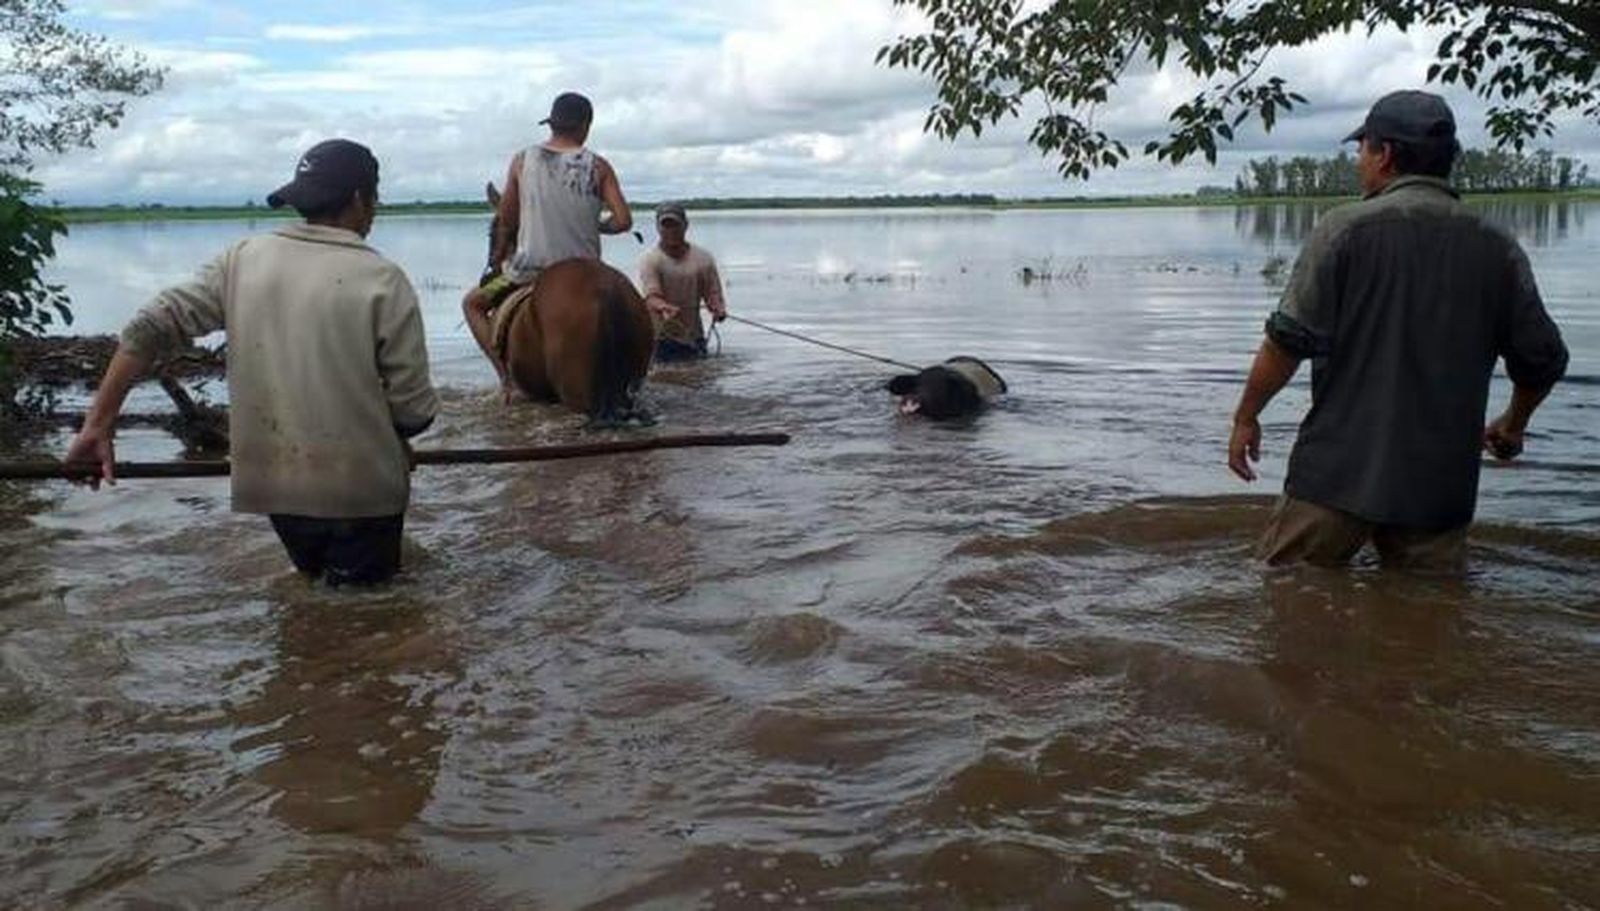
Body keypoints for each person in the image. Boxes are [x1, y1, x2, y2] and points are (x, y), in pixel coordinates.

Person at [65, 139, 439, 586]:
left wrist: (99, 423)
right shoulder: (383, 278)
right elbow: (413, 410)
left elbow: (148, 327)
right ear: (361, 200)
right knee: (367, 620)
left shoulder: (243, 259)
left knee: (316, 603)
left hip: (276, 489)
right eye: (375, 200)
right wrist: (398, 438)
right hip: (361, 493)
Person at [1227, 90, 1568, 570]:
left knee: (1282, 592)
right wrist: (1514, 424)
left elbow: (1287, 341)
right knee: (1429, 621)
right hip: (1438, 489)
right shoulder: (1498, 246)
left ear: (1384, 154)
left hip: (1337, 476)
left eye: (1362, 150)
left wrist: (1246, 417)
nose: (1359, 163)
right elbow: (1543, 360)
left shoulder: (1344, 229)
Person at [463, 91, 637, 392]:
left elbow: (507, 219)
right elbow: (624, 221)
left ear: (552, 125)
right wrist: (599, 226)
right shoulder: (599, 166)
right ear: (585, 126)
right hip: (587, 269)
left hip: (530, 269)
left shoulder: (522, 160)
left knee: (472, 304)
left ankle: (507, 380)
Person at [638, 202, 728, 361]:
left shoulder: (703, 258)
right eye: (666, 226)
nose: (671, 230)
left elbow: (713, 294)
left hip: (695, 337)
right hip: (661, 338)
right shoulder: (650, 260)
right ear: (658, 228)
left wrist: (718, 309)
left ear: (685, 225)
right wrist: (664, 307)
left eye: (675, 225)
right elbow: (651, 297)